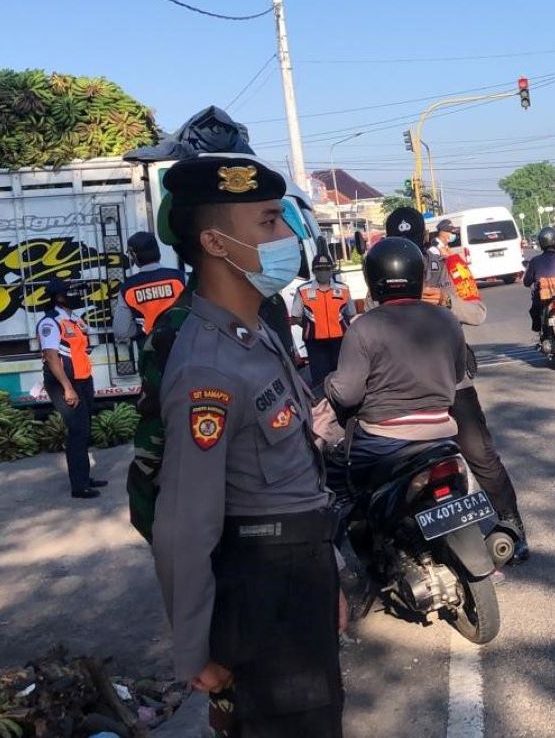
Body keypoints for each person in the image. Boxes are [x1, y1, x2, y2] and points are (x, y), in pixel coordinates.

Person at [150, 156, 344, 736]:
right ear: (215, 241)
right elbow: (185, 522)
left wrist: (327, 573)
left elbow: (296, 468)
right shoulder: (205, 367)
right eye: (267, 223)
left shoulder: (256, 330)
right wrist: (194, 649)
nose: (287, 238)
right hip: (264, 597)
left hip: (298, 574)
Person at [393, 208, 530, 563]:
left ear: (423, 239)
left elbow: (478, 313)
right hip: (401, 386)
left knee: (481, 455)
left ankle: (511, 524)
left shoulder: (447, 267)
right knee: (396, 465)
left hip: (453, 381)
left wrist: (447, 301)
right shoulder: (381, 273)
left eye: (412, 243)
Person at [324, 238, 468, 465]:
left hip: (382, 439)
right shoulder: (447, 319)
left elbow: (347, 395)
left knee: (333, 476)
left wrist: (329, 382)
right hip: (442, 433)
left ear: (371, 279)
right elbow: (458, 375)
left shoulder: (363, 326)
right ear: (419, 275)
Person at [37, 279, 103, 499]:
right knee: (77, 431)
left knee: (85, 428)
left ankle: (84, 476)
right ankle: (79, 486)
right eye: (70, 292)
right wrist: (67, 388)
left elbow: (82, 345)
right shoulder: (50, 322)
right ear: (59, 297)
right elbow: (51, 357)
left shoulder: (72, 318)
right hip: (64, 382)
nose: (76, 295)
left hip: (83, 379)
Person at [290, 254, 354, 388]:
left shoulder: (343, 289)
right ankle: (323, 406)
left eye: (326, 268)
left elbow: (351, 314)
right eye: (319, 269)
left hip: (340, 341)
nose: (323, 272)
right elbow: (296, 317)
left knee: (342, 377)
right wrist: (310, 327)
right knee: (320, 381)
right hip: (315, 343)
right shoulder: (303, 290)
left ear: (332, 270)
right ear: (313, 271)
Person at [112, 231, 186, 345]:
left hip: (152, 350)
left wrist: (141, 330)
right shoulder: (180, 279)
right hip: (184, 344)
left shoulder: (127, 289)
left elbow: (121, 331)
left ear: (134, 256)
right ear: (157, 250)